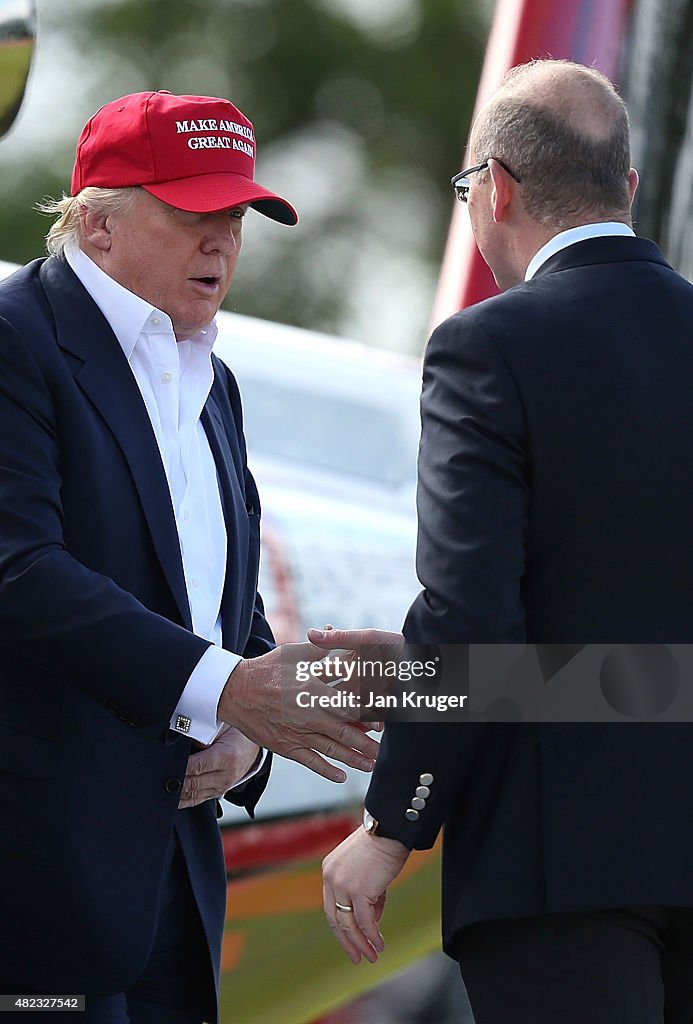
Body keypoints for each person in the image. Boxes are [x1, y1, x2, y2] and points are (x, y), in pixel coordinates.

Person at [317, 59, 693, 1022]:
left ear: (495, 188)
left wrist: (393, 821)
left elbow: (475, 615)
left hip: (560, 857)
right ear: (629, 189)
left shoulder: (487, 345)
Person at [0, 90, 378, 1023]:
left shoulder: (212, 380)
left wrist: (244, 735)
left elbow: (215, 595)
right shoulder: (14, 341)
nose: (222, 241)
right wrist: (225, 687)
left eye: (236, 217)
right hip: (38, 888)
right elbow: (18, 571)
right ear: (95, 225)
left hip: (177, 877)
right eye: (191, 213)